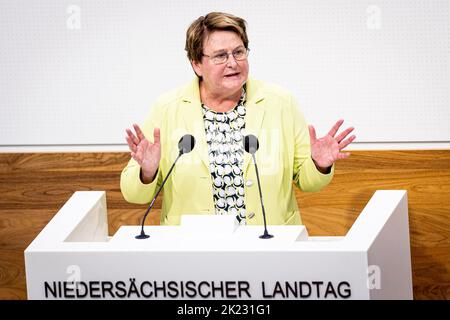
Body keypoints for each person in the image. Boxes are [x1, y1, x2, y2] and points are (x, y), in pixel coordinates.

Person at [120, 12, 355, 226]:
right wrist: (147, 172)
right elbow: (134, 194)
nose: (233, 63)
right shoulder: (168, 109)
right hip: (194, 251)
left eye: (239, 52)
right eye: (220, 56)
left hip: (269, 245)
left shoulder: (280, 102)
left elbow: (309, 182)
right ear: (197, 64)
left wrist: (319, 164)